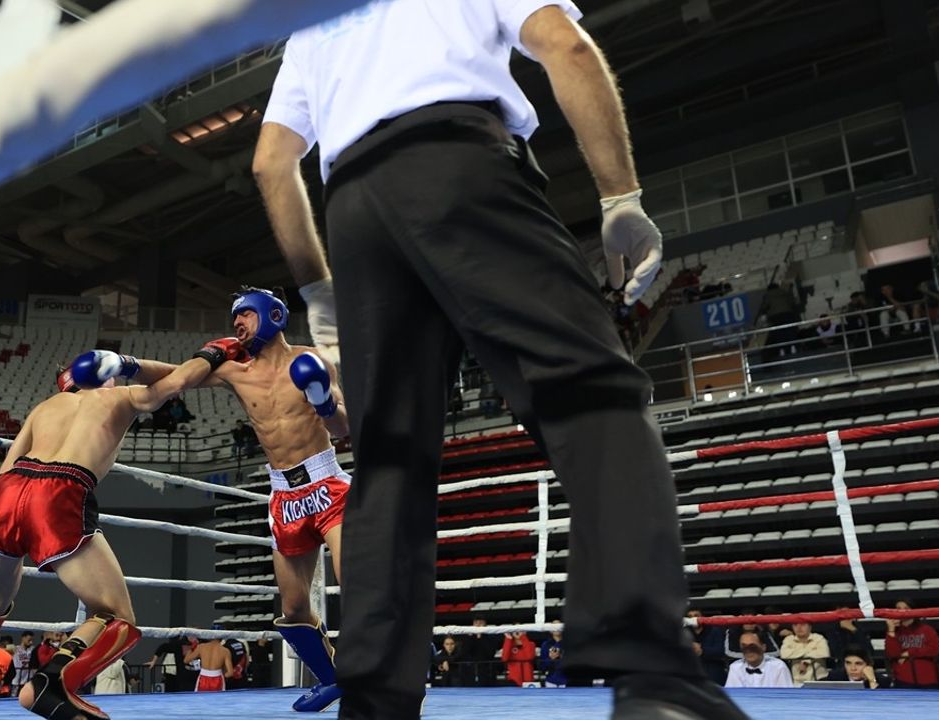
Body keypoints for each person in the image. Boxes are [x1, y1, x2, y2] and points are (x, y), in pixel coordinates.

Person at [252, 2, 744, 718]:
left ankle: (374, 705)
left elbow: (271, 162)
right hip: (457, 166)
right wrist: (620, 195)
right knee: (590, 392)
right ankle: (653, 677)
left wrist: (318, 290)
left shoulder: (316, 21)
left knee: (389, 462)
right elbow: (566, 50)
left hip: (353, 211)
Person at [0, 345, 242, 720]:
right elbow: (180, 381)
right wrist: (215, 355)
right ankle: (51, 685)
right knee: (116, 614)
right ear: (104, 375)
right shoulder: (117, 397)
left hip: (9, 491)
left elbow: (6, 469)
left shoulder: (44, 407)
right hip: (60, 489)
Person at [143, 286, 349, 711]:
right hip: (283, 494)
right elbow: (173, 374)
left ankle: (395, 670)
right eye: (234, 318)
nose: (237, 323)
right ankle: (333, 679)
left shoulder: (311, 360)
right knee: (293, 610)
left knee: (359, 586)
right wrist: (123, 365)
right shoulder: (237, 370)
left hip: (326, 484)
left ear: (273, 315)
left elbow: (345, 427)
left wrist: (324, 402)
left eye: (245, 315)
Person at [884, 599, 939, 688]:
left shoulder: (926, 629)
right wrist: (891, 630)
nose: (902, 611)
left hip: (929, 679)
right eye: (898, 608)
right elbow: (893, 654)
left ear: (914, 610)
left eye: (906, 608)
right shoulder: (893, 633)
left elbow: (935, 649)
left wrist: (909, 653)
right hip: (903, 680)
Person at [723, 630, 791, 689]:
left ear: (763, 647)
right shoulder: (735, 668)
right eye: (744, 647)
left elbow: (786, 696)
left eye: (753, 647)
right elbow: (733, 696)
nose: (748, 650)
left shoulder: (778, 667)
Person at [11, 631, 36, 696]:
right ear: (23, 638)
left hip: (28, 680)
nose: (31, 642)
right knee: (13, 699)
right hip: (17, 680)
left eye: (32, 640)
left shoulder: (32, 649)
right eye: (29, 640)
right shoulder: (15, 648)